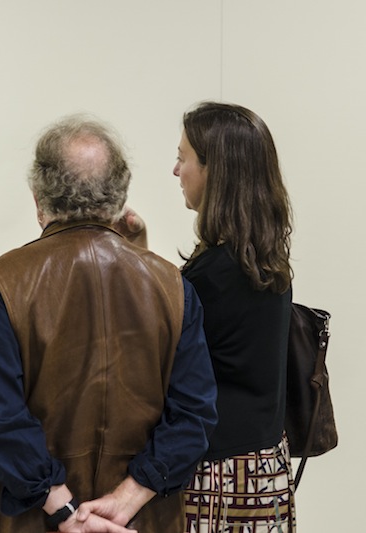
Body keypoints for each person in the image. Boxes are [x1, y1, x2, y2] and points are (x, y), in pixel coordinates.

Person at [0, 115, 218, 532]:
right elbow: (194, 415)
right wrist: (124, 502)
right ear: (120, 195)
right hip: (140, 521)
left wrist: (67, 511)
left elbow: (2, 417)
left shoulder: (5, 281)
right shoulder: (173, 287)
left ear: (39, 196)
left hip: (27, 520)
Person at [171, 102, 296, 532]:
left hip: (217, 478)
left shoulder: (212, 276)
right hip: (266, 471)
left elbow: (164, 356)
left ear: (215, 171)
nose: (176, 170)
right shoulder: (265, 264)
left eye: (183, 158)